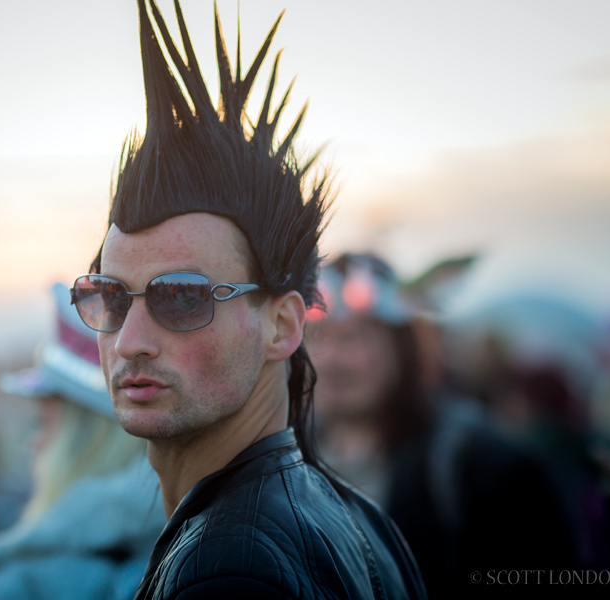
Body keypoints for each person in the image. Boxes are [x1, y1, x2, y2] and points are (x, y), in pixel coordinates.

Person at [68, 2, 426, 598]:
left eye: (181, 298)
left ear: (282, 325)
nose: (129, 342)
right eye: (111, 296)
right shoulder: (360, 519)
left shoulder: (229, 570)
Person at [305, 252, 581, 599]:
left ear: (401, 345)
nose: (330, 359)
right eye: (317, 334)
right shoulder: (285, 459)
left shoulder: (483, 466)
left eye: (352, 337)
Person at [0, 283, 164, 600]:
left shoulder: (25, 584)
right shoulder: (179, 544)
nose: (34, 442)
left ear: (87, 441)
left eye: (43, 423)